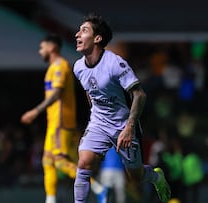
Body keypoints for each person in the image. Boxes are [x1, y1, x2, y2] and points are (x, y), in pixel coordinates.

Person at [72, 13, 171, 203]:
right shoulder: (78, 67)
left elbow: (139, 94)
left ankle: (157, 177)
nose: (77, 34)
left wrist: (129, 127)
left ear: (97, 38)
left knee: (136, 175)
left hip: (123, 125)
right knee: (83, 163)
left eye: (84, 30)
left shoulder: (115, 64)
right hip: (98, 123)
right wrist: (95, 112)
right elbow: (89, 90)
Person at [20, 34, 108, 203]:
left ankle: (98, 187)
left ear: (52, 47)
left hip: (61, 122)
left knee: (60, 162)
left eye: (42, 47)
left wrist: (35, 111)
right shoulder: (52, 68)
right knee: (47, 161)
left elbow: (57, 94)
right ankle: (50, 199)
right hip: (53, 123)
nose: (40, 51)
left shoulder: (61, 66)